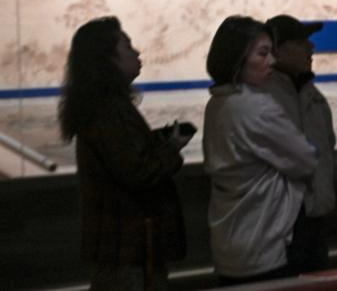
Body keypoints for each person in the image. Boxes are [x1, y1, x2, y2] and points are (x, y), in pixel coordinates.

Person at [58, 16, 193, 291]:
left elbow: (124, 152)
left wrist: (158, 140)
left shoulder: (105, 106)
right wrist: (171, 149)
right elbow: (138, 171)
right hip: (127, 247)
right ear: (107, 59)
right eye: (128, 47)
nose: (137, 52)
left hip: (124, 247)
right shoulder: (108, 110)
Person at [201, 16, 318, 285]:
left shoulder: (218, 103)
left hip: (230, 239)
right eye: (263, 53)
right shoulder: (257, 106)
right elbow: (306, 159)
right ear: (237, 57)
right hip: (264, 240)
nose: (272, 61)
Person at [265, 14, 337, 272]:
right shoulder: (260, 99)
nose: (311, 47)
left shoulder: (312, 96)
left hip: (315, 220)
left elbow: (328, 152)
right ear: (278, 51)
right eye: (301, 42)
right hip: (277, 226)